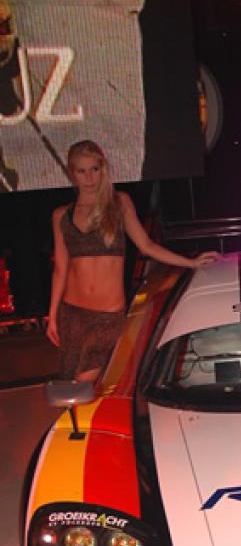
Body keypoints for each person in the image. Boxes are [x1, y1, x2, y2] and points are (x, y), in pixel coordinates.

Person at [47, 140, 218, 382]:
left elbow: (146, 245)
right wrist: (52, 315)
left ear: (103, 169)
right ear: (72, 173)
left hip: (108, 316)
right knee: (72, 386)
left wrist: (190, 263)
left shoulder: (119, 203)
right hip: (72, 313)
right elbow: (61, 268)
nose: (89, 177)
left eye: (94, 169)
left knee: (87, 382)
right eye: (82, 171)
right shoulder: (61, 215)